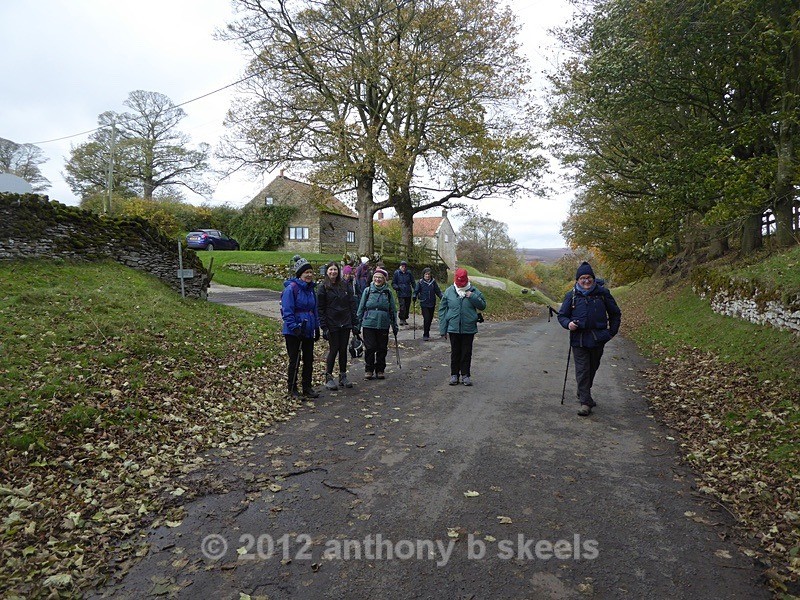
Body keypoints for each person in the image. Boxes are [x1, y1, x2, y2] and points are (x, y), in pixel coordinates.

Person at [557, 261, 622, 416]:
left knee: (593, 367)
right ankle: (585, 402)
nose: (586, 281)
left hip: (598, 338)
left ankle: (583, 390)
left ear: (593, 278)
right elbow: (562, 316)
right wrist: (569, 324)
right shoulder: (571, 295)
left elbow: (615, 314)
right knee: (582, 369)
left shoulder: (603, 294)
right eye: (582, 278)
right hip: (578, 339)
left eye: (588, 278)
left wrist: (611, 332)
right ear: (577, 280)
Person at [438, 268, 486, 386]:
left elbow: (483, 305)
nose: (460, 285)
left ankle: (466, 375)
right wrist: (443, 329)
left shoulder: (474, 291)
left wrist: (472, 296)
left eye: (462, 283)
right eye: (459, 282)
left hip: (468, 328)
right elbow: (442, 311)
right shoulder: (449, 291)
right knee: (455, 352)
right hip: (453, 328)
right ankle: (454, 375)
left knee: (466, 352)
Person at [281, 256, 321, 398]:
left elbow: (314, 310)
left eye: (311, 272)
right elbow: (287, 310)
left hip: (308, 328)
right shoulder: (291, 289)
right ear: (300, 274)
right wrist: (294, 327)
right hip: (294, 331)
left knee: (309, 359)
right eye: (306, 272)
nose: (309, 275)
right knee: (295, 359)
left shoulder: (311, 290)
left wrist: (317, 327)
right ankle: (292, 388)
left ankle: (307, 386)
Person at [317, 261, 359, 390]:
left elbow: (352, 304)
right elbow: (320, 308)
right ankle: (328, 376)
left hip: (345, 322)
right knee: (333, 349)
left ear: (338, 271)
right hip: (332, 323)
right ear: (327, 271)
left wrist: (355, 322)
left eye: (335, 270)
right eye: (330, 270)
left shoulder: (345, 285)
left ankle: (343, 375)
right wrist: (323, 327)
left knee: (343, 350)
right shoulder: (323, 287)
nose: (333, 272)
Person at [356, 267, 398, 380]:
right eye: (376, 277)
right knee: (370, 347)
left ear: (384, 279)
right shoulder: (368, 291)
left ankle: (380, 370)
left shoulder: (388, 293)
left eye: (380, 277)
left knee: (382, 348)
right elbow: (361, 308)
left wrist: (395, 325)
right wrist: (357, 325)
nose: (378, 279)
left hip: (383, 324)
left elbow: (393, 310)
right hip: (369, 323)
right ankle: (369, 369)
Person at [413, 267, 443, 340]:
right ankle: (425, 334)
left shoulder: (433, 282)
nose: (427, 276)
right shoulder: (420, 282)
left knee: (430, 319)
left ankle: (427, 331)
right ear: (423, 275)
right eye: (426, 274)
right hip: (424, 303)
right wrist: (414, 296)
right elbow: (416, 291)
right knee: (426, 318)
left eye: (429, 274)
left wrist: (442, 297)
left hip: (432, 303)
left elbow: (438, 291)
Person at [392, 260, 415, 325]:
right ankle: (401, 319)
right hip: (400, 292)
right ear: (400, 266)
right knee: (402, 306)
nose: (403, 268)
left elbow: (413, 282)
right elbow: (393, 283)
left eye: (405, 266)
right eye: (402, 266)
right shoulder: (397, 273)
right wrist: (396, 287)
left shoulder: (409, 273)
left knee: (407, 306)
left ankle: (405, 318)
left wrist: (416, 290)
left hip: (408, 292)